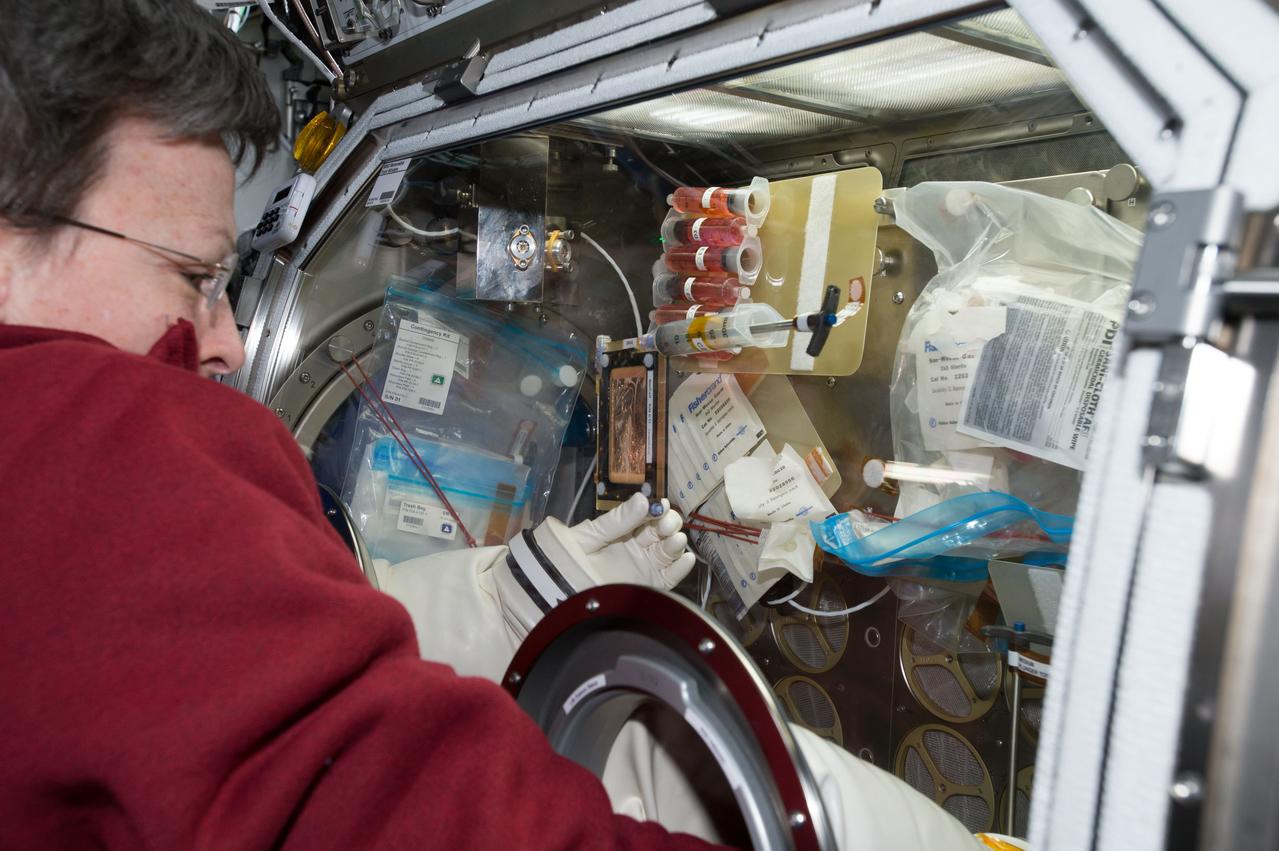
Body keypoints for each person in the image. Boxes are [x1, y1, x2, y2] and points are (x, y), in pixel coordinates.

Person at [0, 2, 984, 849]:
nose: (219, 341)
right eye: (193, 277)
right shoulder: (93, 436)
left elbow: (222, 700)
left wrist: (496, 603)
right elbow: (406, 814)